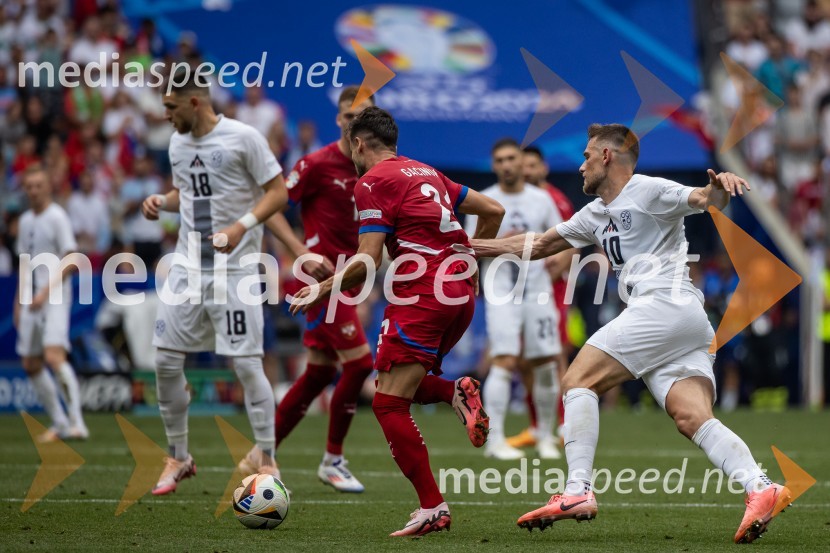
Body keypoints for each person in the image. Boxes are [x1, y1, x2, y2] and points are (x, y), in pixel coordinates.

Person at [471, 124, 791, 544]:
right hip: (685, 320)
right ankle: (761, 486)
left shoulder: (648, 189)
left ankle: (577, 491)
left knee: (577, 380)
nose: (581, 165)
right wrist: (468, 245)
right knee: (690, 416)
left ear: (607, 156)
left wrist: (721, 190)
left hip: (664, 306)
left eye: (587, 156)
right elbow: (538, 243)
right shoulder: (594, 213)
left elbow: (702, 198)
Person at [290, 106, 505, 536]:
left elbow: (367, 259)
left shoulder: (371, 181)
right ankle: (453, 392)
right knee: (393, 381)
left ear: (358, 143)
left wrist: (321, 288)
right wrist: (473, 265)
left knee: (387, 403)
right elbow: (494, 209)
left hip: (424, 294)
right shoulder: (427, 172)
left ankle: (433, 507)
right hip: (459, 294)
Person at [141, 69, 287, 495]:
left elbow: (278, 193)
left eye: (170, 107)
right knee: (165, 361)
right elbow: (185, 193)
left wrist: (242, 226)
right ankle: (179, 457)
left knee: (245, 364)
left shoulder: (243, 137)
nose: (164, 116)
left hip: (236, 270)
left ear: (194, 102)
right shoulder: (177, 143)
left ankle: (267, 456)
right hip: (188, 267)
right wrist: (160, 202)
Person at [264, 86, 375, 492]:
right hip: (320, 282)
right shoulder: (315, 164)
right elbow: (270, 206)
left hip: (352, 280)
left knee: (317, 374)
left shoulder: (376, 168)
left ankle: (261, 451)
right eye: (348, 117)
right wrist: (297, 252)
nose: (353, 125)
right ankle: (332, 459)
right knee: (361, 366)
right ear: (338, 120)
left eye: (361, 118)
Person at [467, 139, 563, 460]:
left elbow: (561, 237)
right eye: (500, 159)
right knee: (504, 359)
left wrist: (555, 260)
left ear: (522, 162)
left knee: (546, 364)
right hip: (501, 291)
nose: (507, 164)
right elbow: (470, 245)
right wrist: (503, 243)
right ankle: (495, 442)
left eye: (512, 158)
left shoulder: (541, 199)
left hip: (538, 289)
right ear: (494, 165)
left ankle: (545, 437)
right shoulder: (485, 200)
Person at [505, 146, 576, 451]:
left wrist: (553, 269)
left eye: (533, 166)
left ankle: (563, 423)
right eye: (525, 166)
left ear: (543, 168)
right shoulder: (520, 202)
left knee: (554, 355)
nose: (528, 171)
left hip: (551, 289)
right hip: (519, 290)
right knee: (523, 359)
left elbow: (574, 242)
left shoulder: (556, 200)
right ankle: (537, 425)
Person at [15, 164, 88, 442]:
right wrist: (19, 302)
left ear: (48, 187)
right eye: (29, 186)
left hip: (54, 295)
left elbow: (72, 258)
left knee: (53, 357)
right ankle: (59, 422)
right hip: (31, 299)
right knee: (31, 364)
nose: (34, 191)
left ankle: (77, 422)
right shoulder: (24, 221)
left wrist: (44, 292)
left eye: (38, 185)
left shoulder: (57, 217)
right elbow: (25, 264)